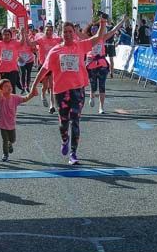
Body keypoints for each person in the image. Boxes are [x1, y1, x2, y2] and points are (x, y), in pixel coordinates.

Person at [32, 18, 119, 165]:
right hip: (60, 91)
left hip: (78, 89)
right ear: (61, 34)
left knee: (75, 120)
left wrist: (103, 24)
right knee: (64, 122)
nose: (67, 34)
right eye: (65, 32)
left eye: (70, 32)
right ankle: (65, 140)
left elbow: (98, 38)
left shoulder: (81, 46)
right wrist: (34, 85)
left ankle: (73, 153)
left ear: (74, 33)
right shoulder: (55, 51)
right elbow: (44, 69)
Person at [0, 78, 36, 162]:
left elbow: (25, 99)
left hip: (11, 123)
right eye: (6, 86)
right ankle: (5, 154)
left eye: (10, 86)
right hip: (2, 123)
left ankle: (10, 144)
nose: (9, 87)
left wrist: (32, 94)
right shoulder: (1, 98)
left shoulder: (15, 97)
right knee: (5, 140)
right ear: (1, 89)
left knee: (13, 139)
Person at [0, 28, 25, 93]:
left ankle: (12, 102)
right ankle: (2, 102)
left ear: (10, 35)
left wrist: (22, 33)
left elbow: (22, 43)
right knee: (1, 89)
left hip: (13, 70)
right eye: (4, 35)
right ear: (1, 36)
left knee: (11, 89)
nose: (6, 36)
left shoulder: (14, 43)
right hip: (0, 70)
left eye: (8, 34)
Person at [85, 30, 110, 114]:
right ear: (90, 30)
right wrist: (74, 28)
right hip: (92, 65)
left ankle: (101, 107)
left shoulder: (102, 38)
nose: (95, 30)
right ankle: (92, 96)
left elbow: (114, 31)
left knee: (102, 86)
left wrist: (122, 21)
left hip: (102, 65)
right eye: (93, 29)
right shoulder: (88, 39)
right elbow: (79, 34)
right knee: (93, 85)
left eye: (97, 28)